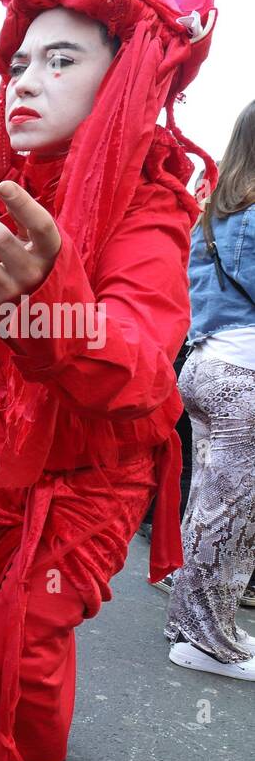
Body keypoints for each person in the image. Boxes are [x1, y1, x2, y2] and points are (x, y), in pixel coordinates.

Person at [0, 0, 216, 761]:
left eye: (61, 61)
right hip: (7, 461)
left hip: (92, 472)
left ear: (124, 73)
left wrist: (48, 311)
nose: (26, 82)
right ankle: (16, 752)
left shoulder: (150, 200)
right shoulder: (6, 180)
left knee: (21, 637)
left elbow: (141, 360)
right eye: (21, 63)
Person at [164, 99, 255, 681]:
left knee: (207, 506)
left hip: (203, 365)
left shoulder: (213, 213)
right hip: (243, 373)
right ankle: (207, 642)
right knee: (232, 515)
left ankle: (190, 624)